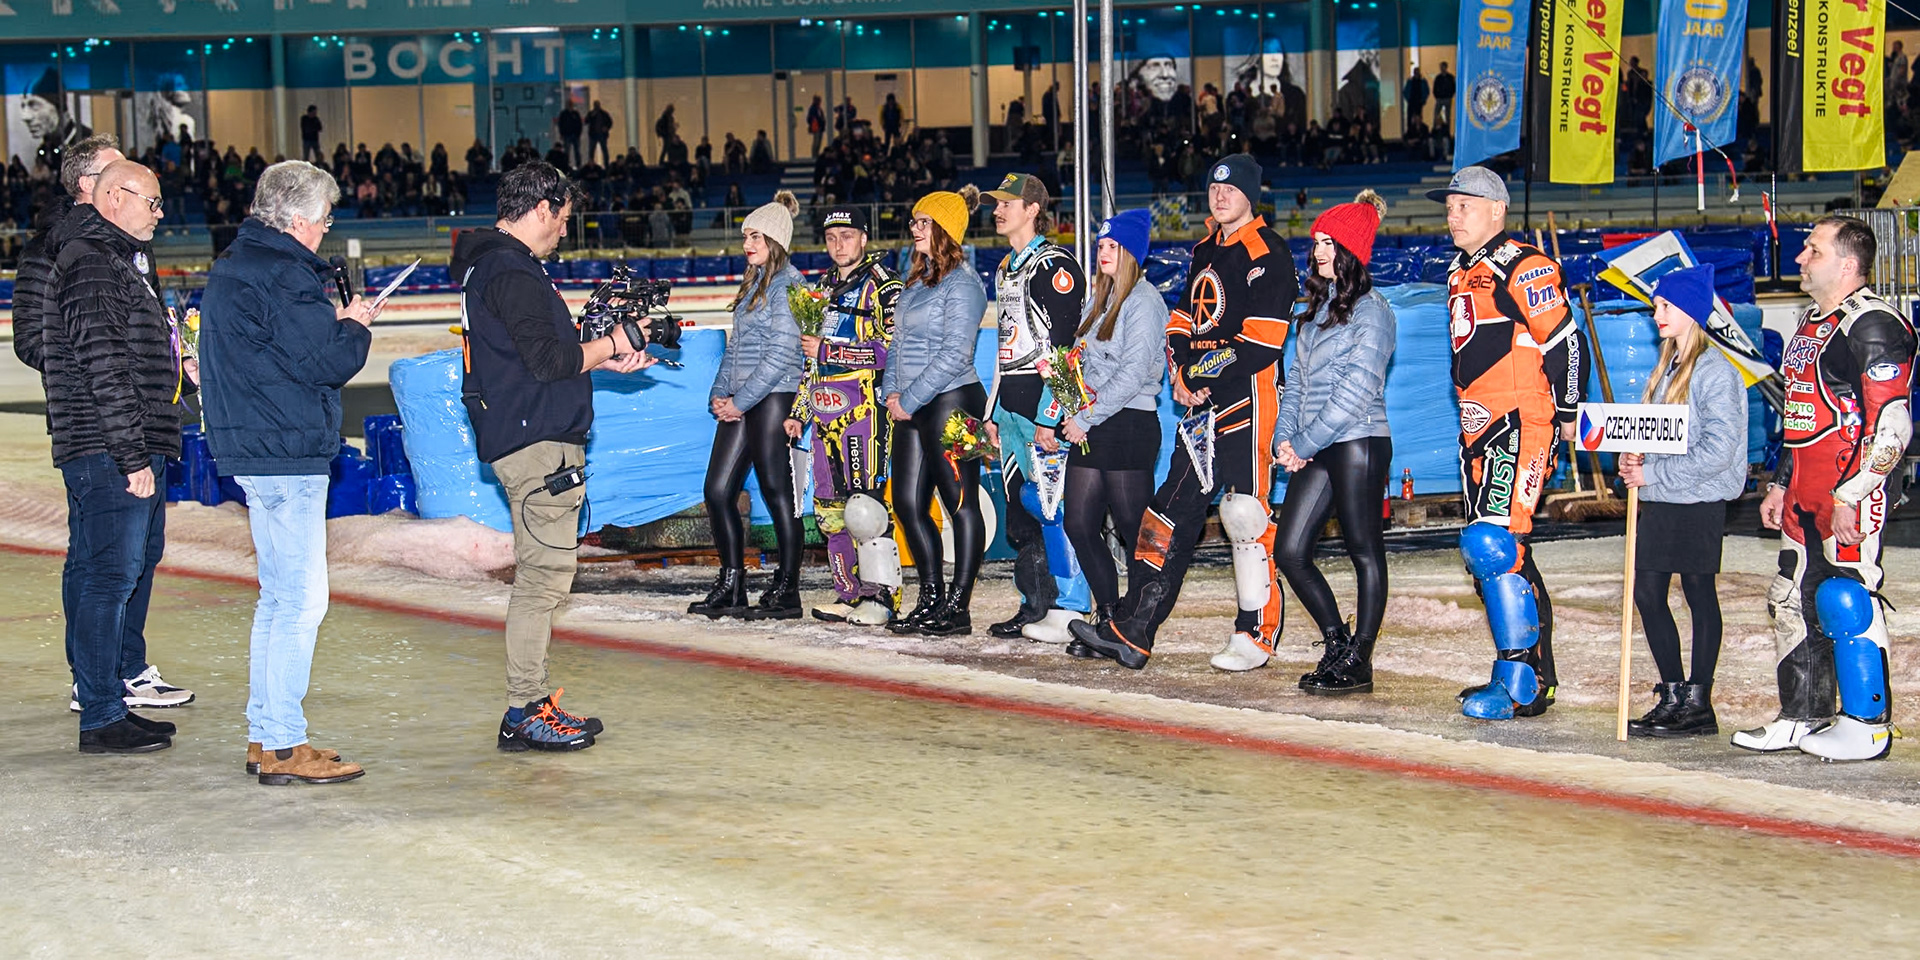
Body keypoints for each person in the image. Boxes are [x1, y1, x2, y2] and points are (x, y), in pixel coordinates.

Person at [1069, 155, 1299, 670]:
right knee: (1164, 517)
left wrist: (1198, 373)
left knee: (1245, 516)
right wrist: (1180, 371)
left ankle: (1256, 633)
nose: (1220, 195)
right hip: (1201, 411)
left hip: (1249, 401)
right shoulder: (1204, 250)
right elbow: (1180, 321)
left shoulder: (1269, 252)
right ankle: (1132, 629)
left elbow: (1262, 342)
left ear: (1251, 194)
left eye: (1231, 188)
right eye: (1214, 187)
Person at [453, 161, 650, 753]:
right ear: (541, 208)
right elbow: (547, 362)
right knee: (542, 582)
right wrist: (618, 340)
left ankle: (531, 704)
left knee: (544, 578)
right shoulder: (509, 269)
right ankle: (524, 709)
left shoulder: (498, 265)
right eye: (562, 218)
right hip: (535, 443)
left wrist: (603, 357)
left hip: (531, 434)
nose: (565, 230)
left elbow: (543, 356)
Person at [200, 160, 376, 784]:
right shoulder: (284, 274)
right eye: (325, 218)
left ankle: (268, 734)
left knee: (278, 598)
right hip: (284, 449)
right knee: (301, 600)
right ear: (298, 218)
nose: (327, 229)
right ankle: (281, 744)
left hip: (253, 445)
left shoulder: (236, 263)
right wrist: (355, 325)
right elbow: (325, 360)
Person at [1739, 216, 1916, 760]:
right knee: (1791, 600)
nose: (1799, 259)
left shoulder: (1874, 324)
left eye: (1812, 250)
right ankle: (1802, 717)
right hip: (1802, 491)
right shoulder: (1812, 321)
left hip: (1849, 492)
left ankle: (1867, 726)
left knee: (1846, 599)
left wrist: (1852, 494)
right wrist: (1780, 483)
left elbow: (1893, 427)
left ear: (1847, 263)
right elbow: (1802, 415)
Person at [1427, 165, 1585, 720]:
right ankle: (1526, 671)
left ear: (1497, 209)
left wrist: (1568, 412)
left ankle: (1522, 685)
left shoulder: (1523, 264)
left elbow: (1566, 341)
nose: (1453, 216)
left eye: (1464, 205)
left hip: (1520, 420)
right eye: (1449, 207)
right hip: (1476, 424)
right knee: (1493, 554)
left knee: (1494, 545)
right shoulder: (1459, 270)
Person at [47, 160, 189, 753]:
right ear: (113, 198)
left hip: (108, 443)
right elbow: (102, 367)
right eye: (151, 202)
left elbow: (123, 355)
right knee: (109, 578)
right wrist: (132, 457)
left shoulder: (114, 260)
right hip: (107, 448)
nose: (159, 213)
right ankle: (102, 713)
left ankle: (104, 702)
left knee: (102, 574)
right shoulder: (94, 264)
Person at [1616, 264, 1748, 738]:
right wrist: (1634, 455)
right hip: (1662, 497)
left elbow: (1719, 449)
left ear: (1691, 311)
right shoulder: (1665, 368)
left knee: (1697, 592)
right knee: (1647, 592)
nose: (1657, 314)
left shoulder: (1715, 372)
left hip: (1698, 500)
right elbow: (1659, 435)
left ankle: (1697, 701)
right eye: (1656, 305)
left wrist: (1652, 472)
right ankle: (1673, 693)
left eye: (1666, 306)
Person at [1272, 191, 1396, 692]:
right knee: (1290, 549)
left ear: (1351, 250)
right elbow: (1297, 383)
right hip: (1319, 444)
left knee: (1364, 549)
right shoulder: (1317, 309)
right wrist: (1285, 438)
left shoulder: (1373, 311)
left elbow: (1356, 390)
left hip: (1359, 439)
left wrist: (1304, 443)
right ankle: (1337, 642)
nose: (1320, 251)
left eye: (1330, 243)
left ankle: (1360, 658)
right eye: (1317, 242)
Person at [1047, 209, 1165, 641]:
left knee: (1135, 530)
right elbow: (1082, 362)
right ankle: (1111, 614)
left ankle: (1136, 621)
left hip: (1128, 422)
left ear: (1131, 251)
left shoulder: (1144, 301)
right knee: (1079, 523)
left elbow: (1133, 374)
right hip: (1094, 422)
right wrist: (1068, 401)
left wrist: (1085, 416)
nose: (1103, 252)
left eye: (1112, 245)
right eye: (1100, 245)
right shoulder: (1101, 297)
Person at [784, 204, 905, 625]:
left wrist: (831, 350)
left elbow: (891, 351)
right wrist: (798, 411)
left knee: (865, 509)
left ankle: (881, 598)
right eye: (832, 238)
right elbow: (810, 359)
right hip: (822, 414)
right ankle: (848, 593)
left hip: (864, 410)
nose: (839, 245)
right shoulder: (821, 287)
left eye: (848, 236)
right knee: (830, 512)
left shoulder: (885, 285)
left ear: (864, 238)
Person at [981, 172, 1088, 641]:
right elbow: (1004, 346)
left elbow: (1066, 349)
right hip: (1010, 406)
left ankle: (1072, 605)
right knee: (1024, 513)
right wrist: (992, 410)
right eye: (996, 203)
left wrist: (1051, 415)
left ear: (1032, 209)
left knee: (1054, 508)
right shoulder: (1007, 266)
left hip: (1042, 404)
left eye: (1007, 203)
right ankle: (1035, 603)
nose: (997, 210)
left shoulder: (1054, 265)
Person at [693, 191, 807, 621]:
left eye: (755, 236)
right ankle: (732, 583)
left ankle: (788, 587)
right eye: (745, 236)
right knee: (717, 490)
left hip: (774, 394)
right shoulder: (755, 283)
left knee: (777, 492)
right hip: (744, 398)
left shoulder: (788, 285)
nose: (747, 244)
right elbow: (736, 347)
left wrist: (739, 402)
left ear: (775, 240)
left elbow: (780, 354)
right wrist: (720, 392)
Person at [882, 186, 989, 636]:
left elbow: (956, 353)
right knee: (907, 502)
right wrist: (892, 393)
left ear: (945, 228)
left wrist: (908, 399)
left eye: (923, 221)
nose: (914, 228)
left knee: (960, 501)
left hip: (954, 400)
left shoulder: (965, 284)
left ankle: (959, 605)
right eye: (914, 221)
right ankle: (931, 597)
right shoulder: (916, 282)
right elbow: (898, 344)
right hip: (912, 405)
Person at [585, 100, 613, 166]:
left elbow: (610, 122)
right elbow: (586, 121)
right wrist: (591, 116)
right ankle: (591, 164)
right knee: (592, 151)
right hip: (593, 135)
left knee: (604, 150)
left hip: (602, 135)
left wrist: (606, 127)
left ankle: (606, 164)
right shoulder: (591, 113)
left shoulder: (604, 114)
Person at [1403, 66, 1429, 132]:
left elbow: (1426, 91)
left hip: (1419, 102)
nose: (1416, 74)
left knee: (1418, 117)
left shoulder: (1422, 81)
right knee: (1410, 117)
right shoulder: (1410, 81)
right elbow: (1405, 92)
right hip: (1412, 101)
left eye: (1417, 72)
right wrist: (1408, 99)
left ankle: (1418, 130)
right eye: (1415, 72)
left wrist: (1423, 100)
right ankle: (1410, 131)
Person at [1432, 62, 1455, 131]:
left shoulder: (1450, 77)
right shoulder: (1438, 78)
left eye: (1443, 67)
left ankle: (1447, 131)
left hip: (1447, 98)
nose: (1442, 69)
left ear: (1446, 67)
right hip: (1439, 98)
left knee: (1447, 116)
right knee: (1436, 115)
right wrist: (1437, 96)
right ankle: (1435, 130)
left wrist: (1450, 95)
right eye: (1441, 67)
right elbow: (1435, 88)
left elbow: (1453, 88)